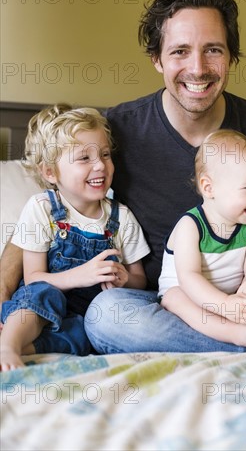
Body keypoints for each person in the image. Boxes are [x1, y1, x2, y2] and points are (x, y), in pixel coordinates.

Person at [1, 0, 246, 355]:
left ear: (231, 58)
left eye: (213, 50)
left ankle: (245, 339)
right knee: (106, 315)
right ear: (157, 59)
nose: (198, 68)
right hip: (172, 307)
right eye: (180, 51)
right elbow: (42, 213)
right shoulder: (117, 131)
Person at [0, 104, 150, 370]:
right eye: (84, 158)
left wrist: (126, 280)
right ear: (50, 172)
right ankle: (8, 345)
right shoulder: (42, 208)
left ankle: (24, 349)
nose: (100, 166)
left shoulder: (121, 217)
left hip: (86, 311)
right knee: (40, 295)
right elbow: (35, 278)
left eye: (105, 154)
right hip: (43, 298)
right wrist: (81, 275)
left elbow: (139, 278)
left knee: (85, 334)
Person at [158, 129, 246, 349]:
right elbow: (189, 277)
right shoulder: (191, 226)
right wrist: (224, 305)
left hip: (233, 293)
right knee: (174, 298)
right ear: (209, 188)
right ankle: (233, 333)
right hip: (191, 293)